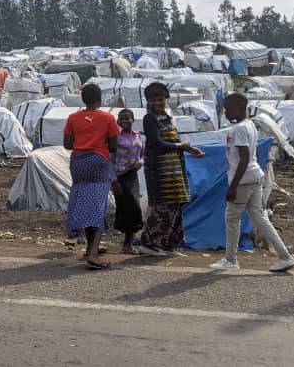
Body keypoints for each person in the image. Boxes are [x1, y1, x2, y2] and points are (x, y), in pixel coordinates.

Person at [211, 93, 294, 272]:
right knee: (259, 217)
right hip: (255, 176)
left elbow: (243, 158)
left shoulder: (239, 129)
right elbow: (254, 151)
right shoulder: (250, 125)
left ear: (238, 108)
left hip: (243, 180)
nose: (225, 112)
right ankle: (284, 256)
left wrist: (233, 186)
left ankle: (230, 259)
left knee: (232, 218)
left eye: (227, 108)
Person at [139, 82, 205, 257]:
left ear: (166, 100)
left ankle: (167, 244)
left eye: (160, 99)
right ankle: (150, 243)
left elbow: (174, 141)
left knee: (176, 204)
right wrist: (181, 146)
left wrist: (189, 149)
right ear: (148, 102)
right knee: (163, 205)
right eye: (153, 100)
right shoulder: (150, 119)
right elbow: (158, 143)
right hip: (159, 169)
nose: (157, 103)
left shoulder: (168, 118)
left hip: (174, 168)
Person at [63, 84, 120, 270]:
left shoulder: (73, 117)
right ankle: (93, 255)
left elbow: (67, 144)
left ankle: (90, 249)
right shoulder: (108, 118)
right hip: (98, 161)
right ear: (100, 100)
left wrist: (83, 142)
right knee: (97, 206)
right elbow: (113, 146)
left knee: (85, 202)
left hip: (78, 162)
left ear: (83, 100)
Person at [112, 109, 144, 254]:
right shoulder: (116, 138)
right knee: (128, 208)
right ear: (118, 122)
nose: (124, 121)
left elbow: (143, 154)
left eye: (127, 118)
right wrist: (113, 181)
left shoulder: (138, 136)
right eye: (121, 119)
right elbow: (110, 159)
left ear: (133, 119)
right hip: (120, 176)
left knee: (133, 207)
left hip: (133, 175)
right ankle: (127, 244)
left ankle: (128, 243)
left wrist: (141, 162)